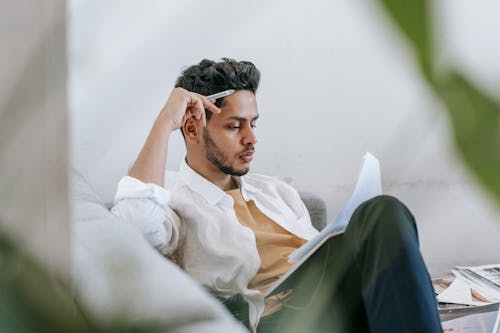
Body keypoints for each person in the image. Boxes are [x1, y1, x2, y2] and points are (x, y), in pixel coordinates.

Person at [111, 58, 443, 333]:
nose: (251, 138)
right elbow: (132, 231)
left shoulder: (276, 192)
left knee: (383, 213)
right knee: (380, 212)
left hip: (334, 304)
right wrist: (164, 121)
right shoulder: (172, 199)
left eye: (253, 123)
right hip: (280, 321)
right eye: (234, 126)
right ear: (193, 129)